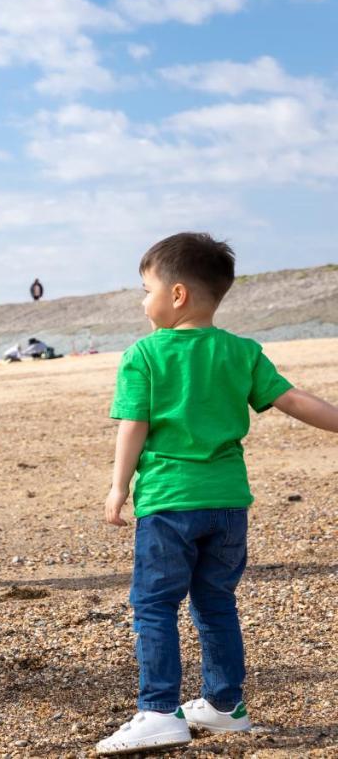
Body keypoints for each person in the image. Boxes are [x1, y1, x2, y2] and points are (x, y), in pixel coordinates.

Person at [95, 232, 338, 755]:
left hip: (169, 503)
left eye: (145, 289)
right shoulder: (241, 351)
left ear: (176, 294)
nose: (143, 301)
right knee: (216, 603)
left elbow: (133, 425)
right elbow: (294, 400)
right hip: (228, 504)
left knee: (155, 605)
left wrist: (119, 487)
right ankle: (225, 706)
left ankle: (159, 710)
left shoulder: (145, 354)